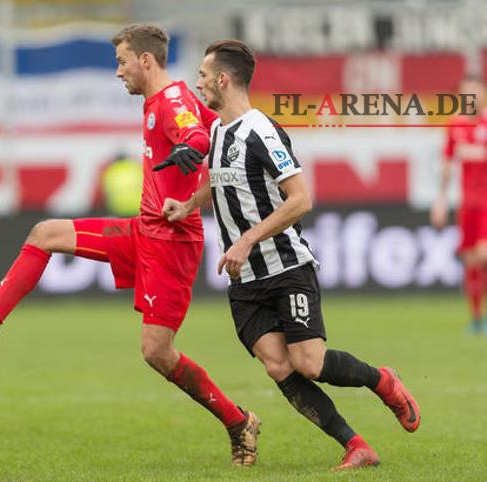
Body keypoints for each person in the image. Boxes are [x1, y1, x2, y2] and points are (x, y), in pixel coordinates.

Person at [0, 23, 260, 466]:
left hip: (172, 243)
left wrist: (192, 149)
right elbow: (212, 129)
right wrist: (202, 154)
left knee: (157, 352)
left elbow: (195, 135)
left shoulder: (172, 99)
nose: (118, 71)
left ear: (145, 60)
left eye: (122, 62)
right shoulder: (166, 99)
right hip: (143, 231)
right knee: (45, 233)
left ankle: (238, 422)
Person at [160, 39, 421, 471]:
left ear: (223, 79)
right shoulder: (218, 131)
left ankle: (382, 380)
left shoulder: (261, 131)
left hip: (285, 267)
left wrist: (246, 240)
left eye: (203, 75)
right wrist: (189, 205)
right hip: (244, 280)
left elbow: (301, 199)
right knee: (278, 366)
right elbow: (222, 179)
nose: (198, 82)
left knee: (309, 363)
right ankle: (356, 445)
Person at [430, 76, 487, 334]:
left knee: (483, 255)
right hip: (468, 204)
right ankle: (476, 318)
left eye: (474, 93)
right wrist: (441, 200)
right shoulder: (456, 125)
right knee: (471, 261)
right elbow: (447, 164)